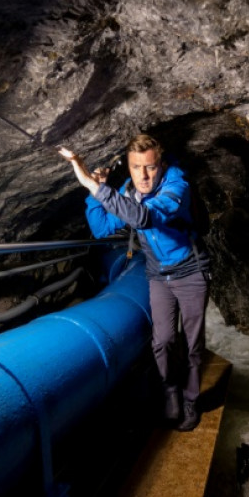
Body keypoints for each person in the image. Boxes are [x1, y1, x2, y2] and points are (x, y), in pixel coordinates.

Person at [59, 134, 210, 431]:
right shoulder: (130, 192)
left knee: (192, 343)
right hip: (158, 275)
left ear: (162, 166)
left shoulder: (176, 187)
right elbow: (101, 228)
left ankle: (190, 399)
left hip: (191, 272)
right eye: (136, 167)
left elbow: (143, 218)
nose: (143, 175)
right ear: (128, 167)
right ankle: (170, 391)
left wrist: (94, 185)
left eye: (150, 168)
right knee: (163, 340)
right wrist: (95, 194)